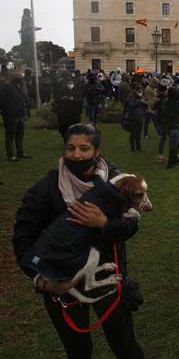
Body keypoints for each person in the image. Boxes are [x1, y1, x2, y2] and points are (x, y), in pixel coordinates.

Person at [12, 123, 144, 358]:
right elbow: (23, 236)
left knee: (126, 347)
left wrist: (104, 223)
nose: (76, 155)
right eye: (70, 148)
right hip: (63, 285)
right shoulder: (48, 187)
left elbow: (131, 225)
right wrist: (41, 281)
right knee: (78, 351)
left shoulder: (119, 182)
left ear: (97, 150)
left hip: (107, 279)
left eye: (84, 148)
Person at [0, 74, 31, 162]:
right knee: (10, 135)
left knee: (20, 134)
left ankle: (20, 152)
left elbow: (23, 98)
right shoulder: (7, 87)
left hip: (19, 114)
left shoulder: (19, 88)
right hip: (10, 115)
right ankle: (10, 155)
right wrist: (7, 109)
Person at [162, 86, 179, 168]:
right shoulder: (176, 103)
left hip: (168, 124)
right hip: (174, 125)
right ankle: (170, 163)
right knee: (173, 145)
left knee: (173, 143)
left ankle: (174, 159)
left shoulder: (166, 102)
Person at [125, 84, 147, 152]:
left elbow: (143, 106)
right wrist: (140, 102)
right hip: (133, 117)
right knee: (133, 133)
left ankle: (139, 147)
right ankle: (132, 148)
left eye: (141, 91)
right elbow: (131, 104)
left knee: (139, 133)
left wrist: (145, 104)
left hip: (140, 117)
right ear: (135, 90)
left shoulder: (141, 97)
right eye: (139, 91)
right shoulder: (130, 96)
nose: (141, 93)